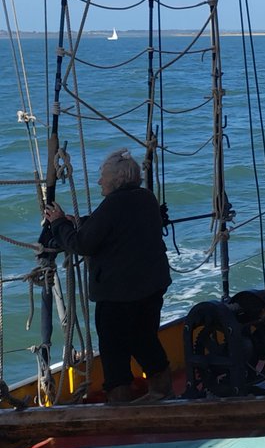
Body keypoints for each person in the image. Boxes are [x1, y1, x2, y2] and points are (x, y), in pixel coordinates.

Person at [43, 148, 173, 404]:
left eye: (103, 175)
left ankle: (118, 405)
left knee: (114, 353)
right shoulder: (146, 198)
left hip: (119, 295)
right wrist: (81, 222)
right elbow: (119, 224)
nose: (99, 181)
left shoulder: (113, 205)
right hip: (151, 289)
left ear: (117, 179)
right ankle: (163, 391)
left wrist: (58, 223)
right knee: (145, 340)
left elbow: (82, 244)